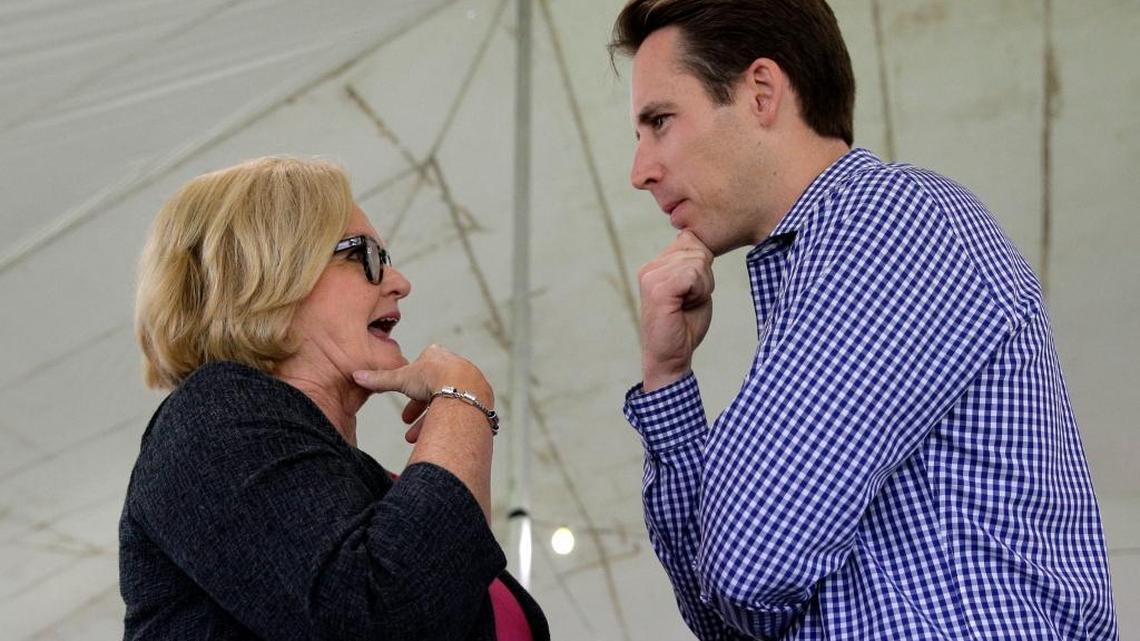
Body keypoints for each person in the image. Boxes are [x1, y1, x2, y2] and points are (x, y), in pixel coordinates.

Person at [609, 1, 1118, 639]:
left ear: (762, 93)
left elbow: (749, 564)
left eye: (660, 121)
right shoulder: (822, 270)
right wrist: (668, 376)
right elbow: (723, 623)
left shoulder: (893, 222)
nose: (640, 171)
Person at [120, 156, 548, 641]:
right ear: (270, 271)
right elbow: (386, 614)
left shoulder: (362, 488)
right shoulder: (211, 418)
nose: (399, 282)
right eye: (364, 255)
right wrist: (464, 400)